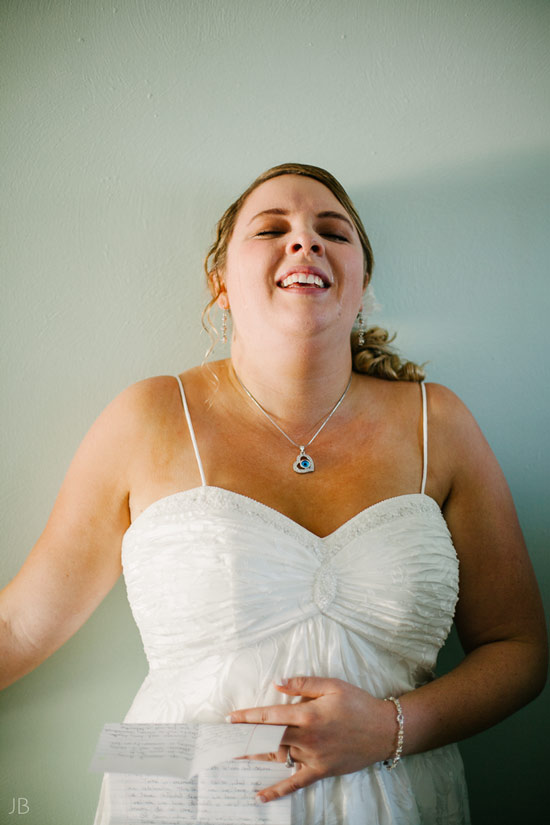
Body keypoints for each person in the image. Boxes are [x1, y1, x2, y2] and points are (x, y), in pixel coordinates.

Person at [0, 162, 547, 825]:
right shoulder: (148, 416)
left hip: (394, 800)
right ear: (220, 283)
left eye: (332, 231)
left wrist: (391, 727)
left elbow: (519, 647)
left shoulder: (441, 424)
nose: (305, 241)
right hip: (178, 799)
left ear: (362, 283)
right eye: (271, 228)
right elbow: (18, 624)